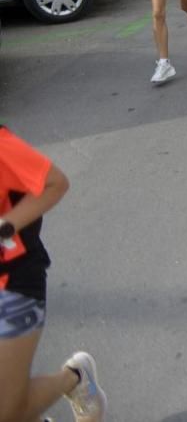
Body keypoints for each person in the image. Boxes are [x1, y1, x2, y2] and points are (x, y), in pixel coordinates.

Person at [0, 124, 108, 422]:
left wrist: (3, 227)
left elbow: (55, 183)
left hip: (13, 283)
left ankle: (75, 379)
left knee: (6, 410)